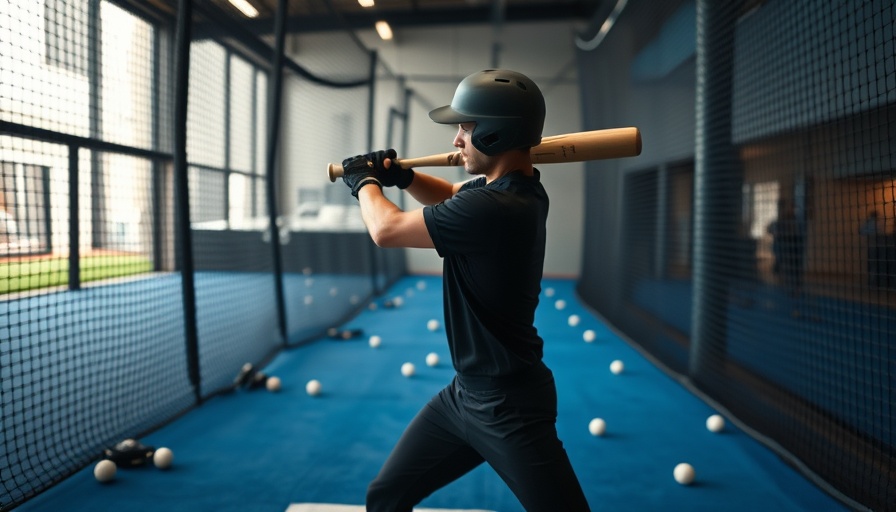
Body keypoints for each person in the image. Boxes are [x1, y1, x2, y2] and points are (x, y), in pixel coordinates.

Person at [339, 69, 591, 511]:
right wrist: (403, 177)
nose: (457, 140)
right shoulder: (515, 189)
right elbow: (451, 194)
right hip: (464, 397)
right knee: (386, 496)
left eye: (466, 127)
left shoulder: (494, 208)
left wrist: (364, 182)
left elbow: (386, 228)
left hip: (509, 407)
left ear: (497, 134)